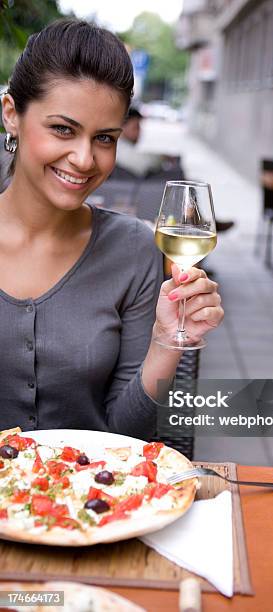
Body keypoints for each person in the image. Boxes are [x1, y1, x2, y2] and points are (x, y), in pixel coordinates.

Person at [0, 19, 223, 438]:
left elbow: (128, 436)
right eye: (62, 129)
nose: (84, 159)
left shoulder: (135, 248)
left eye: (104, 138)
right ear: (12, 115)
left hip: (92, 497)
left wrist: (164, 342)